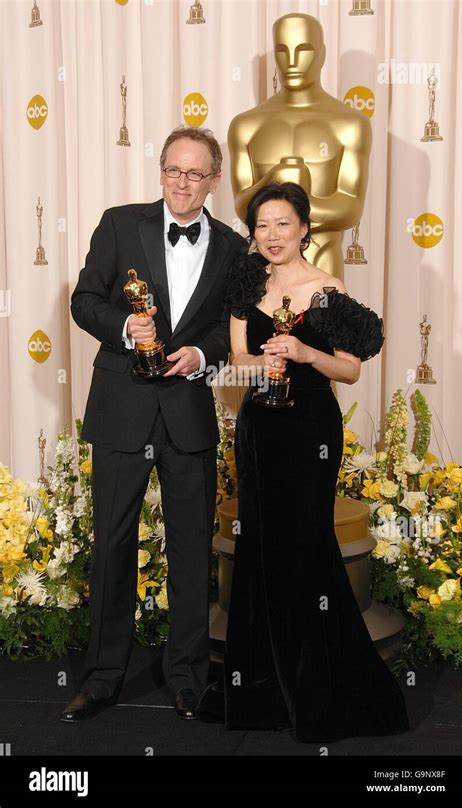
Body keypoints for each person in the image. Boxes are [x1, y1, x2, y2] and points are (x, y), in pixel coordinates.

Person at [195, 182, 410, 743]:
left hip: (311, 430)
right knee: (260, 545)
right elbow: (234, 366)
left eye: (282, 224)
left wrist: (303, 352)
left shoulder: (327, 289)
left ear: (305, 229)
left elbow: (350, 370)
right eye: (262, 225)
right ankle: (259, 690)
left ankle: (317, 688)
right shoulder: (246, 284)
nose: (271, 236)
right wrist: (259, 365)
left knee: (305, 544)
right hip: (260, 429)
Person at [61, 126, 247, 723]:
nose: (183, 184)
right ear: (160, 170)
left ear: (214, 180)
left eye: (196, 174)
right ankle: (103, 676)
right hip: (122, 409)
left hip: (188, 414)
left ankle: (187, 678)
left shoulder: (235, 247)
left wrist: (203, 355)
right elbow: (84, 299)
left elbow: (230, 327)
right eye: (174, 171)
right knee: (112, 546)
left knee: (191, 552)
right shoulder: (119, 223)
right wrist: (123, 328)